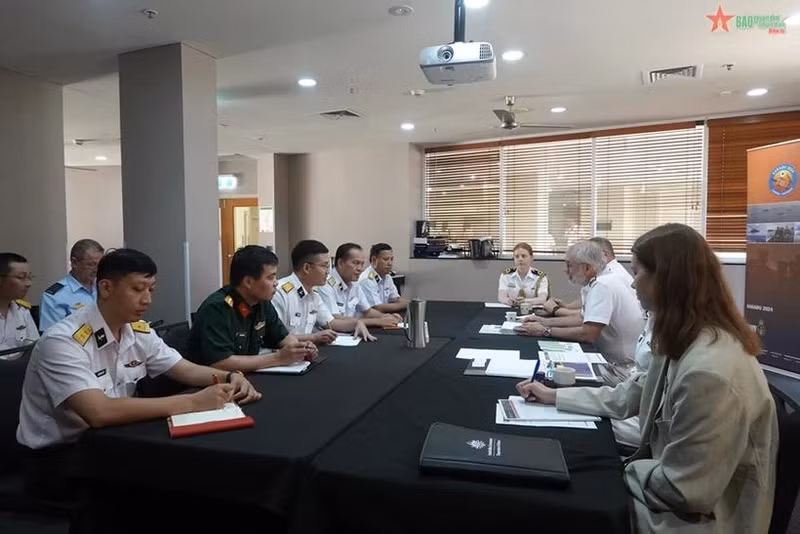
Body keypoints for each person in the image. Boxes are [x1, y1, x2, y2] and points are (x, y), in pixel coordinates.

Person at [516, 223, 777, 534]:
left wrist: (620, 470)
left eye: (638, 273)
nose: (632, 284)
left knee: (553, 506)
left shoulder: (709, 372)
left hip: (699, 521)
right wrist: (553, 397)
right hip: (668, 485)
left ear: (666, 280)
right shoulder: (685, 340)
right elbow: (630, 395)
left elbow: (685, 491)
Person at [17, 248, 261, 453]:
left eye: (150, 290)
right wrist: (193, 401)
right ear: (105, 288)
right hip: (60, 456)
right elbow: (98, 412)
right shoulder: (63, 341)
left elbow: (183, 369)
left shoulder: (137, 330)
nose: (147, 300)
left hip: (115, 440)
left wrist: (232, 376)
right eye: (137, 289)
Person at [516, 240, 643, 372]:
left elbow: (588, 334)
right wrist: (543, 321)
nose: (565, 270)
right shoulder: (600, 281)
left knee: (550, 375)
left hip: (620, 369)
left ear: (587, 268)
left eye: (569, 265)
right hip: (612, 360)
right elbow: (582, 318)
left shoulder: (603, 285)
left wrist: (545, 330)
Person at [186, 245, 317, 372]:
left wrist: (300, 349)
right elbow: (221, 362)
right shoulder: (217, 308)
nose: (276, 282)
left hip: (247, 377)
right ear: (248, 282)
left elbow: (283, 338)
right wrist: (278, 358)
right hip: (211, 385)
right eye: (270, 277)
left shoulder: (261, 303)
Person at [272, 240, 375, 344]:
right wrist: (313, 337)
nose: (328, 271)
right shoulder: (280, 292)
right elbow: (276, 337)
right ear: (307, 268)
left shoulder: (313, 295)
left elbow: (331, 322)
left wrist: (356, 323)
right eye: (324, 266)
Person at [316, 243, 402, 327]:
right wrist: (377, 321)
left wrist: (385, 316)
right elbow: (336, 319)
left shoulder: (354, 283)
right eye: (356, 263)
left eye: (362, 264)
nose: (360, 269)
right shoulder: (326, 284)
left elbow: (367, 311)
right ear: (340, 263)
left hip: (354, 332)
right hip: (337, 336)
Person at [39, 239, 104, 331]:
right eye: (91, 264)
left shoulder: (103, 288)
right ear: (74, 263)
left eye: (99, 264)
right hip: (73, 344)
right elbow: (52, 337)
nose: (96, 269)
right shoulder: (54, 297)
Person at [0, 253, 39, 357]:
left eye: (29, 277)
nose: (28, 283)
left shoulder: (22, 310)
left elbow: (34, 347)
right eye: (21, 277)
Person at [359, 243, 408, 314]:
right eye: (386, 259)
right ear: (374, 260)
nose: (390, 263)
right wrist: (406, 305)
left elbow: (395, 299)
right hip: (368, 320)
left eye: (391, 259)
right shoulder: (367, 280)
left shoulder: (387, 277)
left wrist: (413, 303)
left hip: (382, 317)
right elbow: (378, 307)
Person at [497, 242, 549, 307]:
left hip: (534, 312)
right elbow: (501, 297)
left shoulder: (540, 277)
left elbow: (542, 299)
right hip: (511, 309)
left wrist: (525, 301)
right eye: (517, 257)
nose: (520, 259)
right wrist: (509, 301)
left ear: (531, 258)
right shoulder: (506, 275)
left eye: (524, 256)